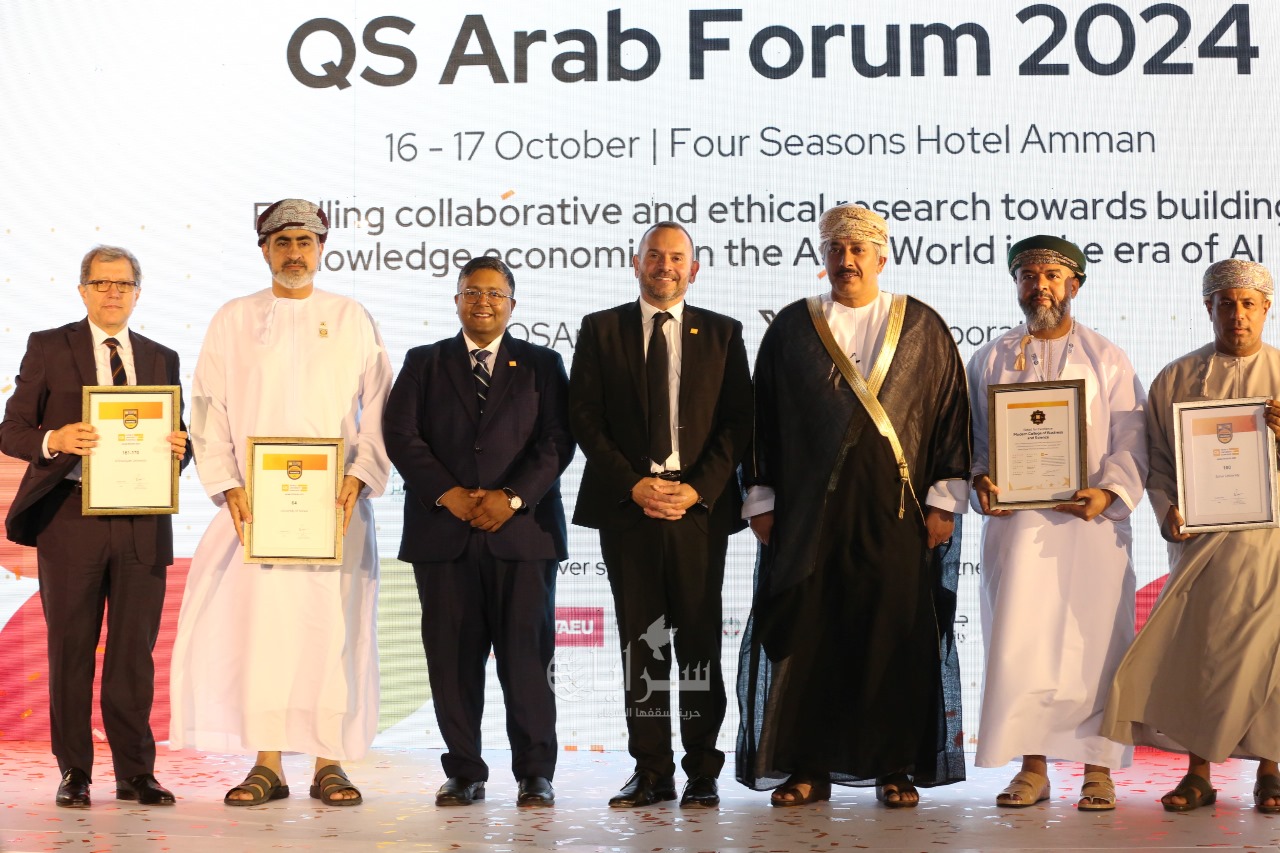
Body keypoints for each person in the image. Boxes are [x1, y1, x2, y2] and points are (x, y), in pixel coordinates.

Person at [736, 204, 970, 808]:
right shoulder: (793, 327)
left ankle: (894, 766)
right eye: (836, 249)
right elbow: (761, 419)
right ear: (823, 256)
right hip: (809, 519)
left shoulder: (921, 326)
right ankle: (807, 768)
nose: (847, 260)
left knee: (893, 635)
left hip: (896, 516)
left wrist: (944, 501)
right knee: (811, 638)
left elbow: (949, 415)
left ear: (882, 256)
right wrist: (760, 496)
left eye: (859, 249)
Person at [168, 199, 392, 807]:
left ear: (322, 249)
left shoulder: (351, 318)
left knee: (332, 631)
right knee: (262, 633)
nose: (295, 253)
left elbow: (381, 408)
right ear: (264, 249)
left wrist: (360, 474)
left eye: (305, 241)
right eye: (283, 242)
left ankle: (329, 762)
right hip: (257, 511)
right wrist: (229, 484)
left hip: (335, 510)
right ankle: (266, 764)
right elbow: (207, 407)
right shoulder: (233, 318)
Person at [569, 222, 753, 809]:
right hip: (629, 508)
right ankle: (651, 770)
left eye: (676, 257)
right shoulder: (601, 329)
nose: (664, 266)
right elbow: (584, 417)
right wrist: (634, 483)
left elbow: (739, 422)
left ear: (693, 269)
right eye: (654, 255)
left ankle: (702, 771)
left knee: (699, 643)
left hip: (697, 512)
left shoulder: (723, 333)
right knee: (642, 645)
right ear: (636, 262)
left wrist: (697, 489)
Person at [0, 245, 189, 808]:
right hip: (70, 515)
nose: (113, 293)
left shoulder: (161, 357)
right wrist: (54, 439)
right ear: (82, 290)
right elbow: (11, 429)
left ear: (138, 292)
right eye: (102, 283)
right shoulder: (49, 346)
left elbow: (176, 441)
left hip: (141, 521)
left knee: (134, 653)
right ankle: (75, 772)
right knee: (71, 649)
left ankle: (136, 774)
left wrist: (181, 449)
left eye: (123, 284)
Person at [383, 256, 574, 808]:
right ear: (457, 301)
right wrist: (448, 493)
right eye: (472, 292)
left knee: (527, 661)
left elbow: (558, 440)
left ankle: (535, 774)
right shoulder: (424, 361)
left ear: (512, 304)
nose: (483, 302)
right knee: (452, 662)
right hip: (444, 535)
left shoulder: (542, 363)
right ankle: (464, 770)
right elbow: (400, 434)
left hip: (523, 536)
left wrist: (509, 498)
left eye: (494, 293)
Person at [967, 236, 1147, 810]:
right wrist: (980, 480)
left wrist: (1108, 493)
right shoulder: (991, 358)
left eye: (1050, 275)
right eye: (1028, 275)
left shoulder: (1106, 357)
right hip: (1018, 532)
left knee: (1096, 647)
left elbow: (1131, 440)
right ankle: (1033, 768)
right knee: (1022, 646)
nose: (1039, 286)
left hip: (1091, 529)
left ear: (1075, 284)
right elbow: (973, 441)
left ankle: (1098, 770)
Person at [1103, 259, 1280, 813]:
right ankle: (1198, 774)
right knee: (1201, 651)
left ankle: (1271, 771)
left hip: (1272, 544)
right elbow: (1158, 462)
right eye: (1226, 304)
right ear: (1209, 309)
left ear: (1267, 309)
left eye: (1248, 304)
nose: (1237, 315)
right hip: (1203, 545)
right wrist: (1167, 512)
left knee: (1271, 656)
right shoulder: (1176, 378)